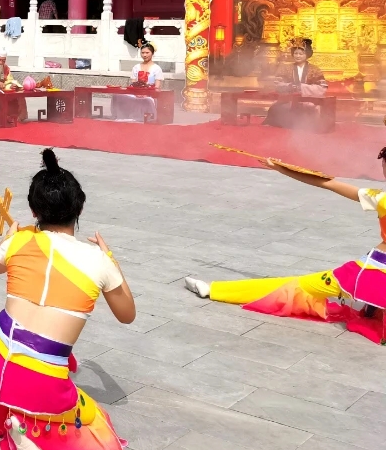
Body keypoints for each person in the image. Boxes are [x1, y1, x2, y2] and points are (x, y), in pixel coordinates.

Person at [0, 149, 134, 450]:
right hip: (40, 379)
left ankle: (11, 409)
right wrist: (111, 259)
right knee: (94, 419)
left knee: (23, 358)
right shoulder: (97, 260)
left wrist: (9, 238)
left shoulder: (19, 242)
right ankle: (24, 431)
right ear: (79, 208)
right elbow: (127, 314)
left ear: (34, 210)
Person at [185, 152, 386, 341]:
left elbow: (329, 183)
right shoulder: (380, 198)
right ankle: (214, 289)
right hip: (373, 269)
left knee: (295, 286)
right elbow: (329, 183)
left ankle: (214, 289)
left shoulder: (380, 198)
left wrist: (281, 169)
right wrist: (282, 168)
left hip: (370, 271)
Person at [265, 38, 328, 130]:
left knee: (310, 108)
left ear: (307, 55)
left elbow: (322, 88)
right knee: (276, 108)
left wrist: (302, 88)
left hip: (308, 101)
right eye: (296, 53)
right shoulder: (286, 68)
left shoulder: (314, 69)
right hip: (289, 100)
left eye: (301, 54)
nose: (298, 56)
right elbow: (277, 83)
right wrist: (289, 86)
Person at [112, 39, 162, 123]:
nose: (144, 55)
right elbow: (133, 83)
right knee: (117, 95)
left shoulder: (156, 68)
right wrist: (137, 92)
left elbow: (157, 86)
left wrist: (146, 93)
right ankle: (121, 115)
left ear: (152, 53)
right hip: (136, 93)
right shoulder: (136, 67)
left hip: (149, 94)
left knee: (147, 99)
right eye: (142, 53)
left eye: (147, 53)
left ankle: (147, 116)